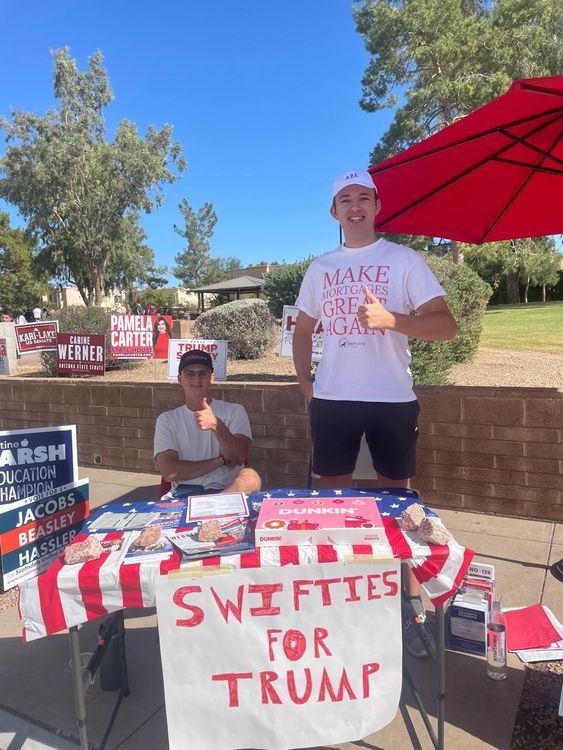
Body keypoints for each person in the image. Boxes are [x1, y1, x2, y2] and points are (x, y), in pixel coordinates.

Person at [293, 168, 457, 658]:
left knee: (397, 504)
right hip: (334, 400)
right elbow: (303, 332)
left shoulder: (403, 259)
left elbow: (445, 326)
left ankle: (408, 604)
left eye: (364, 197)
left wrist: (392, 319)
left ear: (378, 205)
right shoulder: (321, 268)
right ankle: (342, 593)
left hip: (392, 399)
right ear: (334, 211)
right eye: (346, 198)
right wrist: (308, 389)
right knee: (333, 504)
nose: (356, 205)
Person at [154, 348, 261, 496]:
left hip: (227, 492)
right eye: (189, 373)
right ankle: (213, 507)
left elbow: (238, 458)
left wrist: (216, 425)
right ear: (180, 379)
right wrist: (220, 461)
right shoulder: (167, 419)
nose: (196, 379)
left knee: (251, 477)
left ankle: (215, 505)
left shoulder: (235, 410)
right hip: (185, 493)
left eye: (202, 373)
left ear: (211, 378)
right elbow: (170, 472)